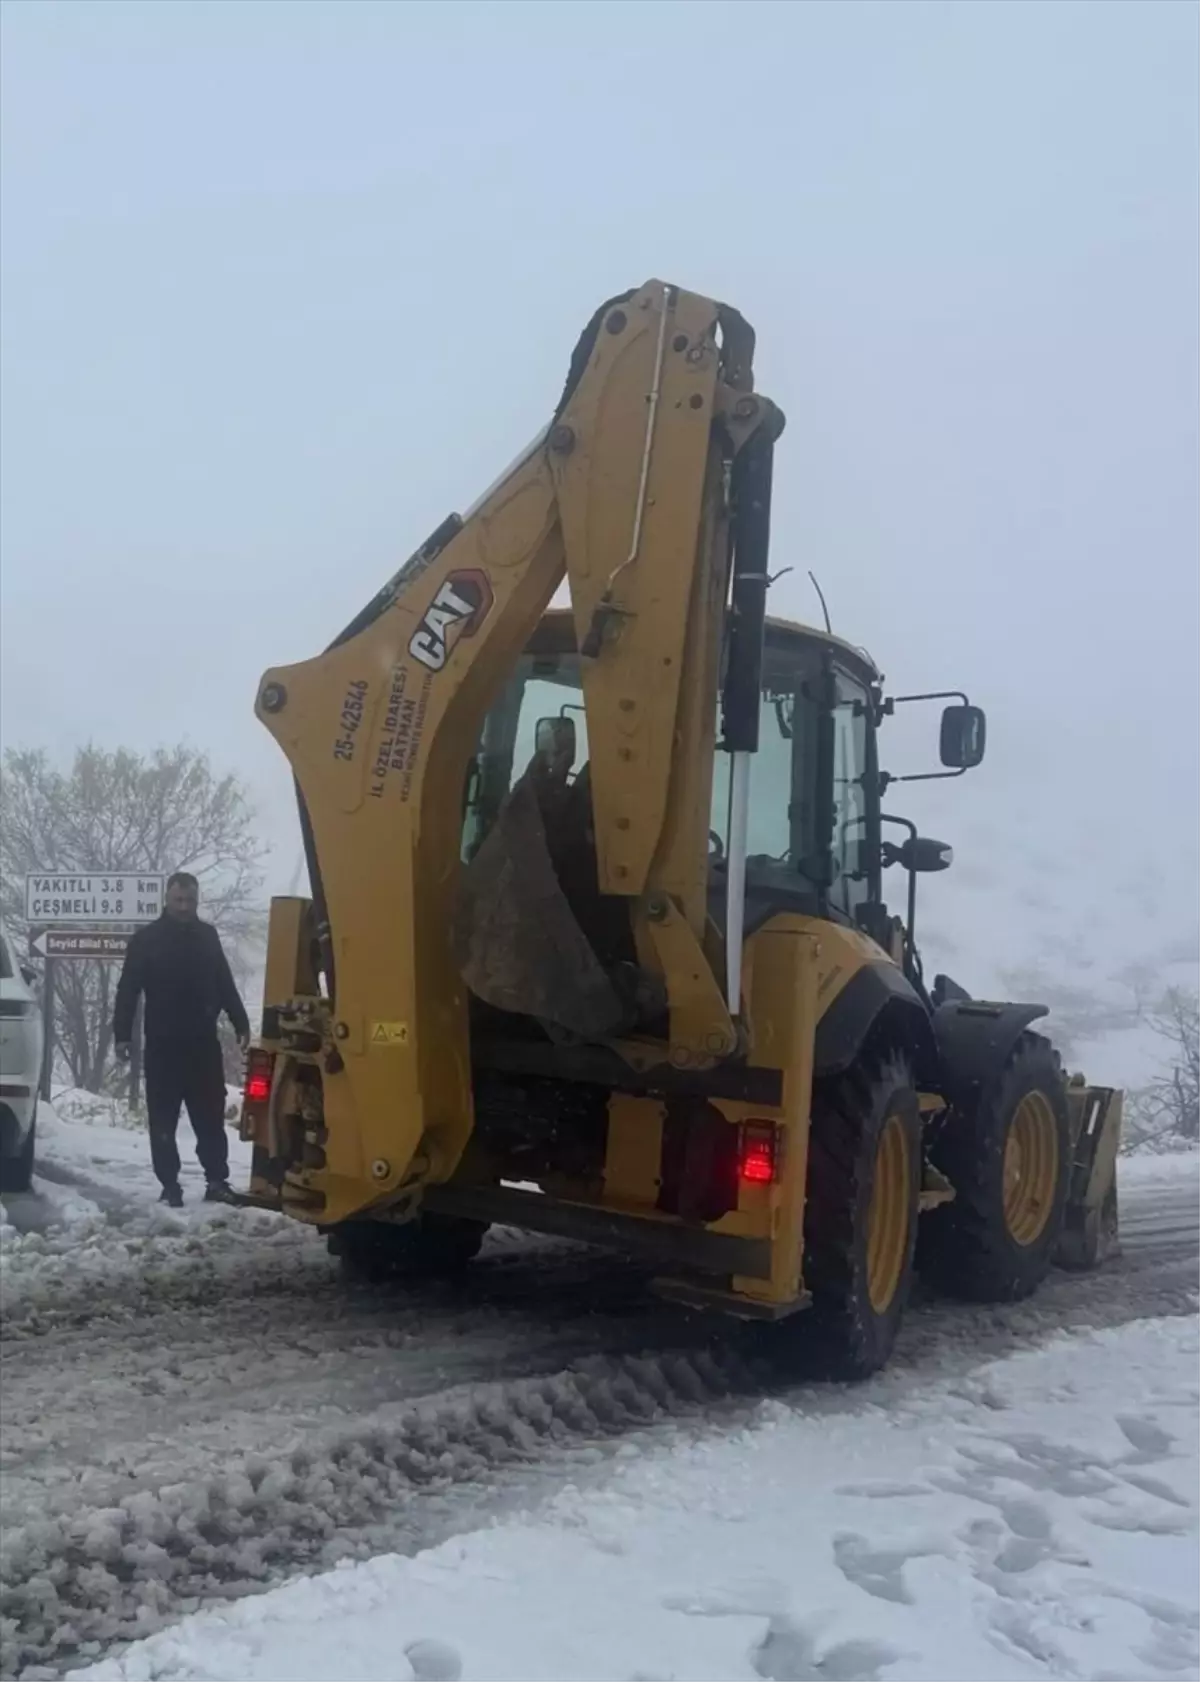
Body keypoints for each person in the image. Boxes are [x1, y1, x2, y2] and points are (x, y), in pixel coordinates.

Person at [112, 872, 250, 1207]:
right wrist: (122, 1035)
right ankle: (169, 1185)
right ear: (167, 899)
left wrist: (241, 1022)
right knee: (163, 1120)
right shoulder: (146, 940)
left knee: (210, 1118)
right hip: (162, 1046)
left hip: (203, 1046)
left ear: (197, 900)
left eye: (190, 901)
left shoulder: (207, 937)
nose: (184, 906)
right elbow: (127, 990)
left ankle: (216, 1180)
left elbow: (224, 982)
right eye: (178, 900)